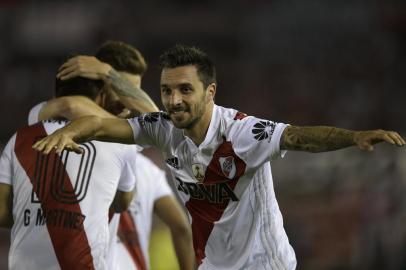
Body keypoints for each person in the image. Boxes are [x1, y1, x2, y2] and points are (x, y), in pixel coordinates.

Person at [33, 44, 406, 270]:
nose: (174, 99)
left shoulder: (243, 132)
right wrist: (69, 131)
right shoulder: (162, 128)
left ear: (210, 91)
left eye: (185, 90)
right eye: (166, 90)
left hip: (264, 262)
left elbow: (300, 137)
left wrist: (354, 136)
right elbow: (101, 127)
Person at [30, 41, 195, 270]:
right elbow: (69, 104)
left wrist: (108, 74)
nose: (125, 102)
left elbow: (164, 127)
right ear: (99, 86)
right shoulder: (52, 124)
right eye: (120, 89)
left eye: (131, 93)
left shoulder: (133, 154)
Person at [0, 75, 137, 270]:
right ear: (101, 97)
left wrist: (41, 217)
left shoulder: (19, 138)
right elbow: (123, 203)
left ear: (55, 95)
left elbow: (2, 213)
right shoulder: (119, 143)